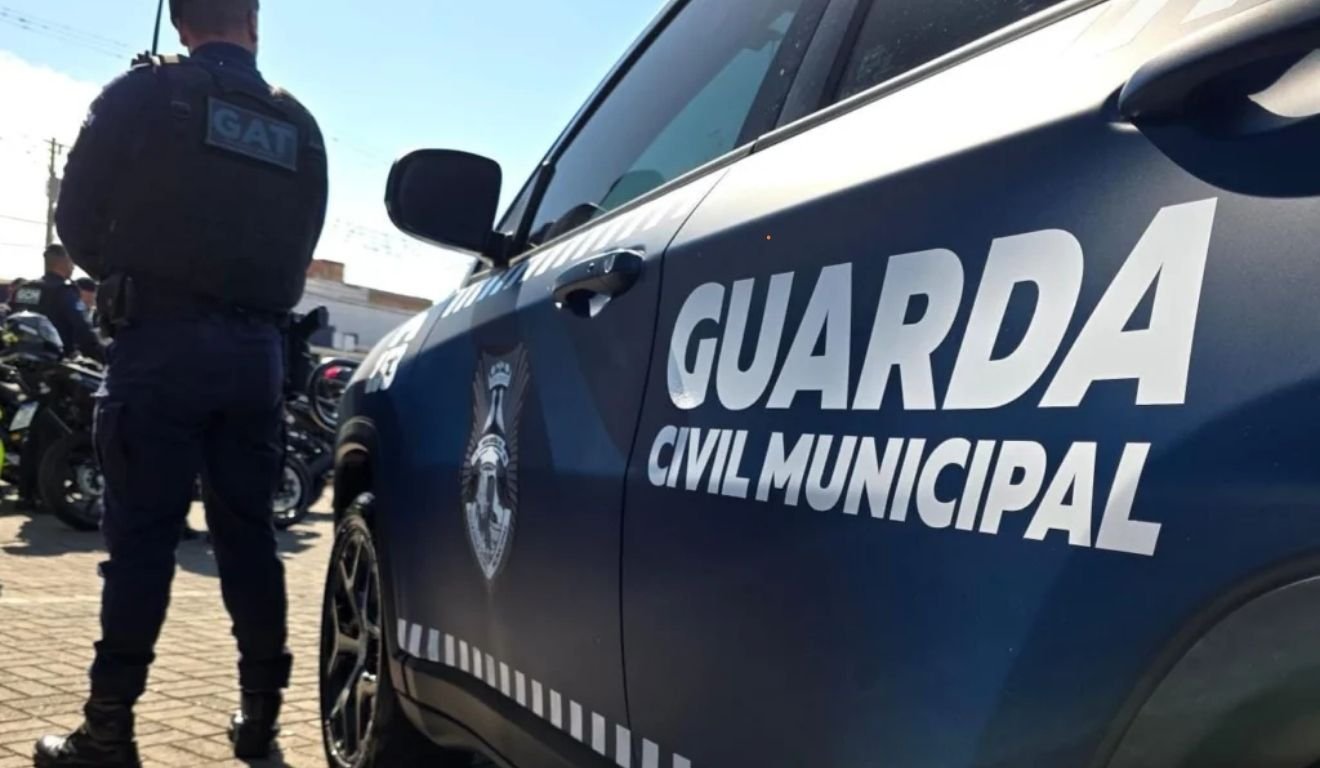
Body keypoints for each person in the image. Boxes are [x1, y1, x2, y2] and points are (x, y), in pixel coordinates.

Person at [35, 0, 328, 765]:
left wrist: (136, 271)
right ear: (254, 21)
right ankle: (260, 723)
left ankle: (109, 731)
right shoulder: (299, 124)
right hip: (257, 357)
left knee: (141, 543)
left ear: (178, 20)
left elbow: (76, 217)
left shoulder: (144, 92)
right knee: (250, 540)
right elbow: (302, 244)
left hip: (159, 345)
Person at [8, 244, 105, 362]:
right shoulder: (64, 291)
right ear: (64, 262)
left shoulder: (25, 289)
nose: (73, 267)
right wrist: (100, 355)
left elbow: (10, 318)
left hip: (17, 358)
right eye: (71, 262)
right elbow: (81, 327)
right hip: (55, 361)